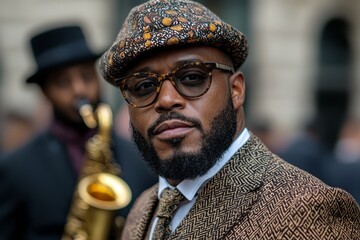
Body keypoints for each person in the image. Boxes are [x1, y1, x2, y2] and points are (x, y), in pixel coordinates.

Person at [99, 0, 360, 239]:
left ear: (236, 91)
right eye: (143, 86)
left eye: (192, 78)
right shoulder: (141, 210)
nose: (166, 100)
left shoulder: (309, 210)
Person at [0, 25, 157, 240]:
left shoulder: (141, 157)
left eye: (86, 77)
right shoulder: (14, 169)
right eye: (63, 82)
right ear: (45, 92)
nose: (79, 90)